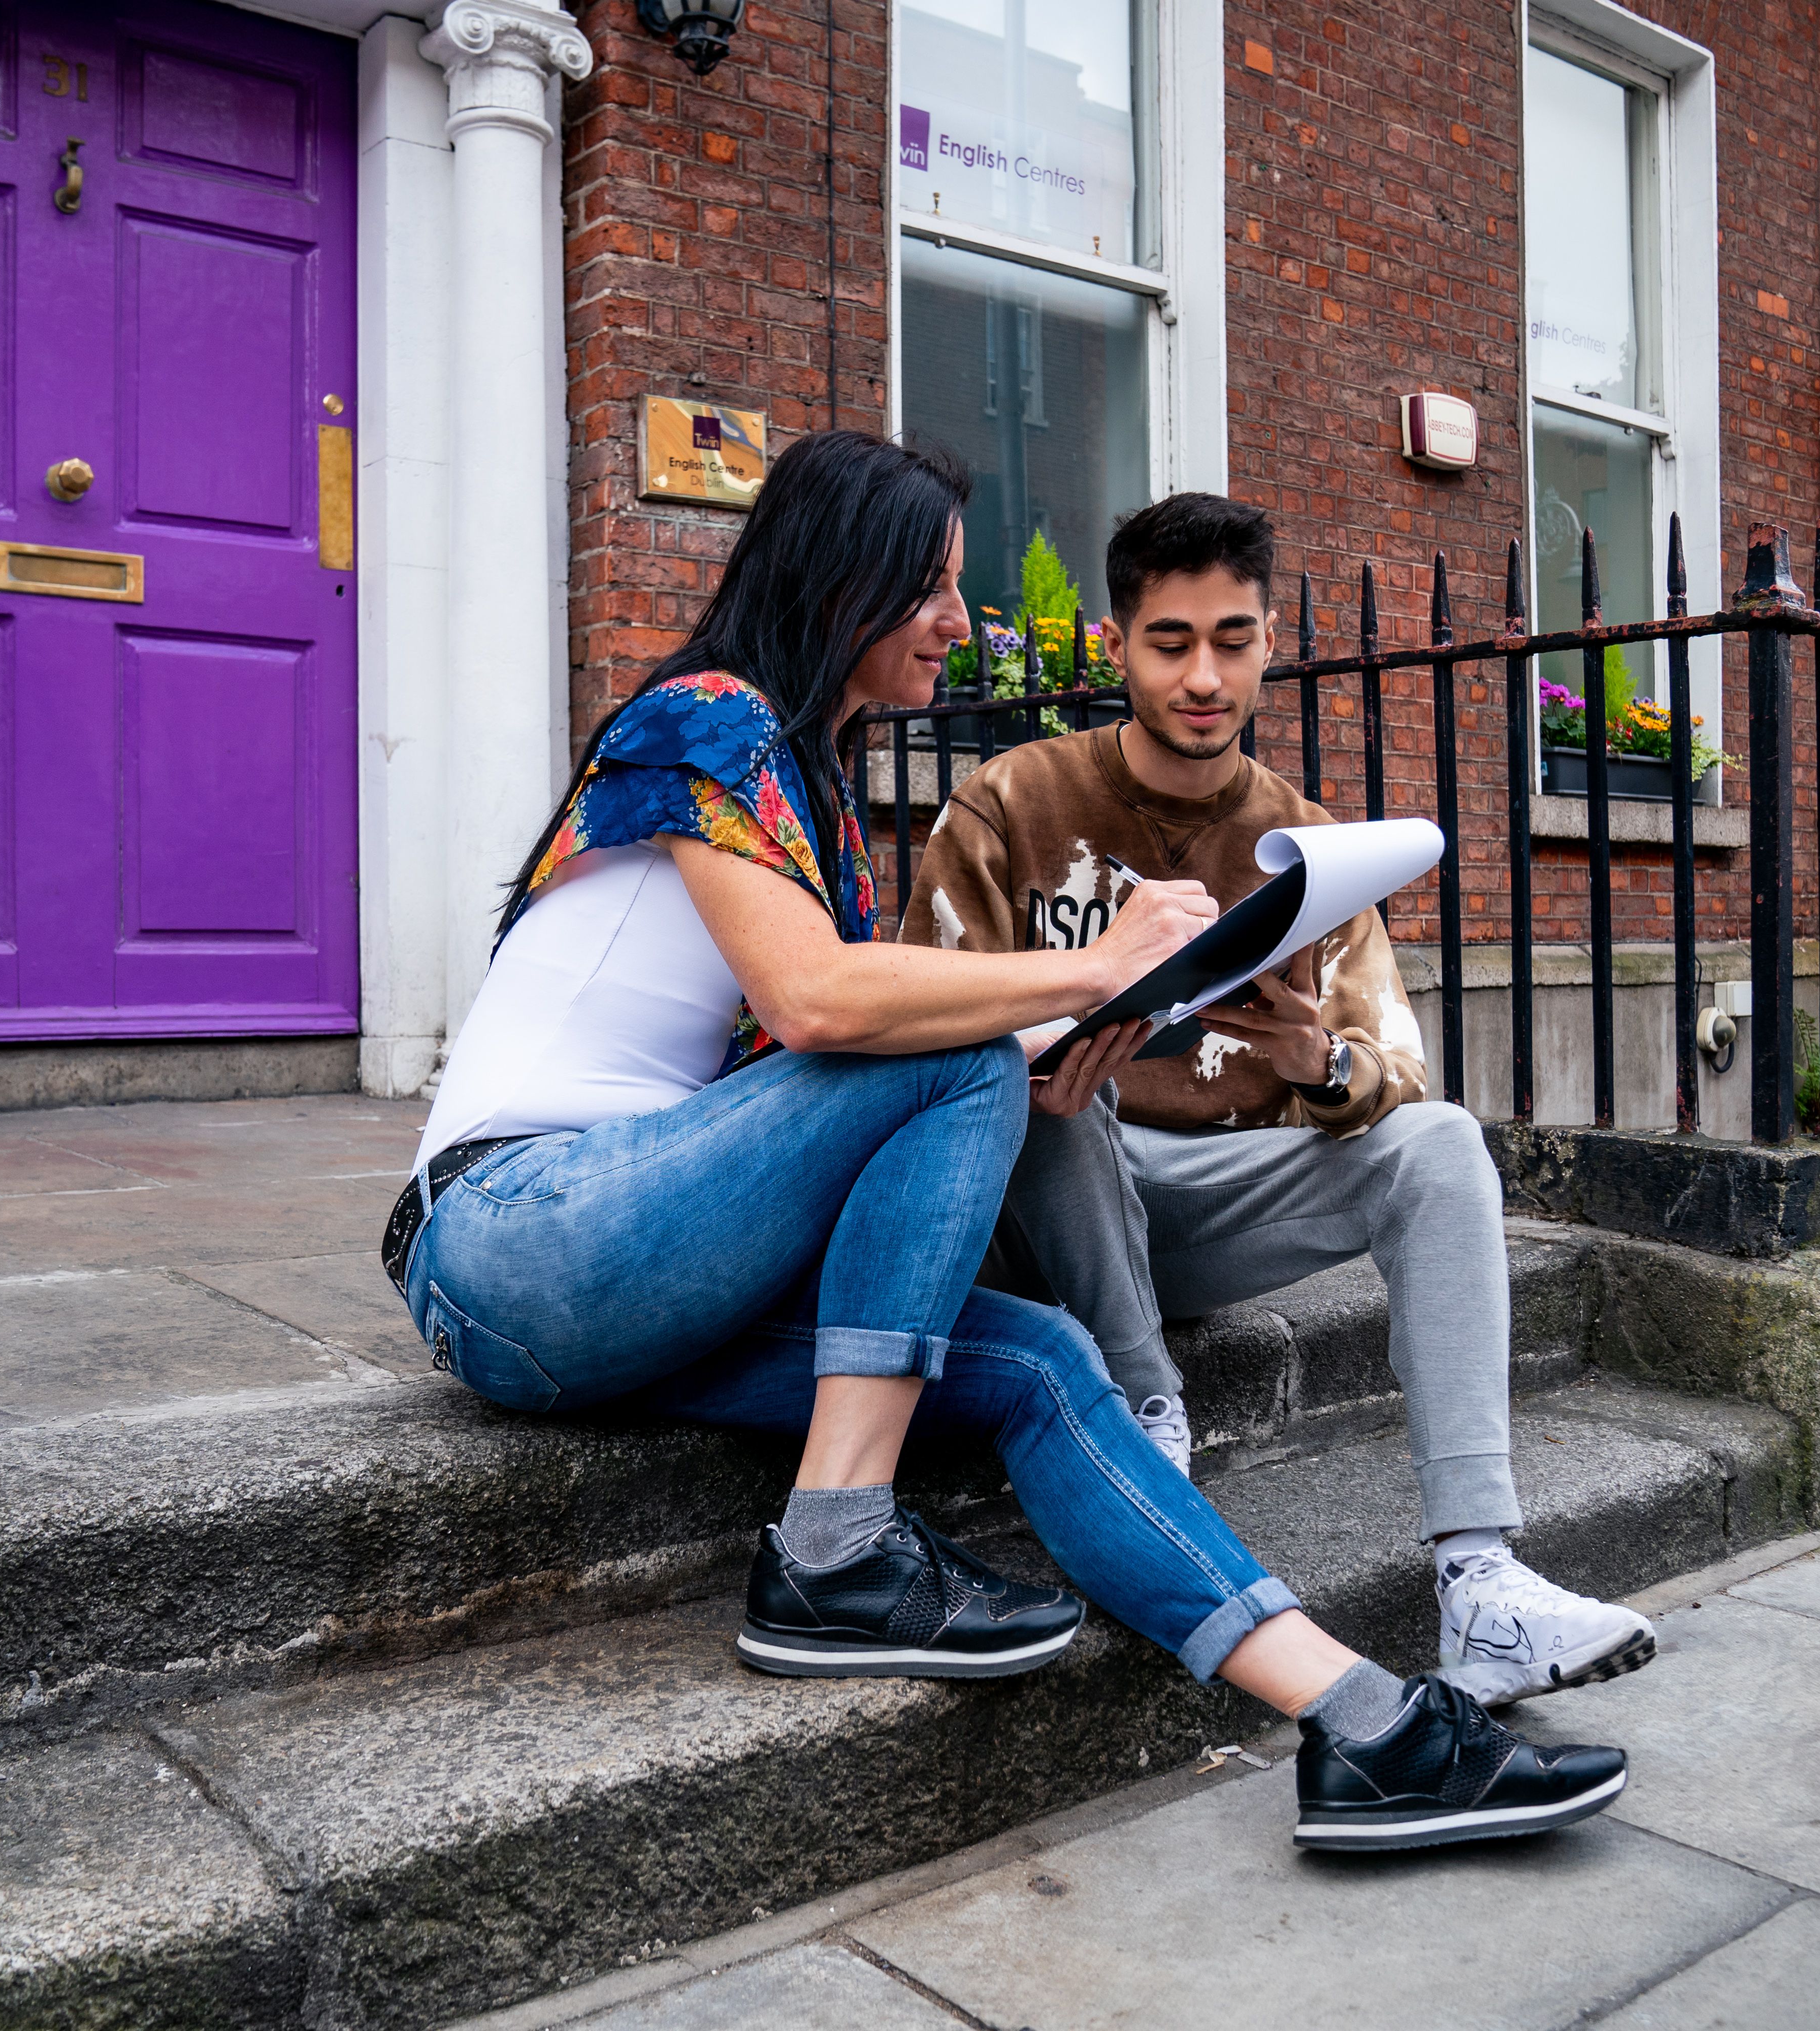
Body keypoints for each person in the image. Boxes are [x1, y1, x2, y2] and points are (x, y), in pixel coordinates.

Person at [386, 431, 1627, 1848]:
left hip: (654, 1286)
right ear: (840, 575)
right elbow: (814, 1004)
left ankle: (1367, 1727)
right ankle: (836, 1546)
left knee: (1045, 1360)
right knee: (962, 1048)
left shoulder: (814, 791)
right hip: (509, 1241)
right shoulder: (705, 715)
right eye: (932, 587)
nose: (960, 625)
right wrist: (1091, 975)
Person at [896, 490, 1660, 1709]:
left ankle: (1484, 1582)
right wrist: (1048, 1041)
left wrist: (1319, 1062)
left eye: (1234, 639)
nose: (1206, 675)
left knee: (1443, 1142)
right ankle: (1152, 1432)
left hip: (1206, 1201)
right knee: (1048, 1086)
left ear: (1267, 642)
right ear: (1116, 642)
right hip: (1038, 1205)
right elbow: (925, 1013)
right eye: (1172, 641)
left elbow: (1392, 1062)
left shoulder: (1307, 838)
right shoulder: (1010, 801)